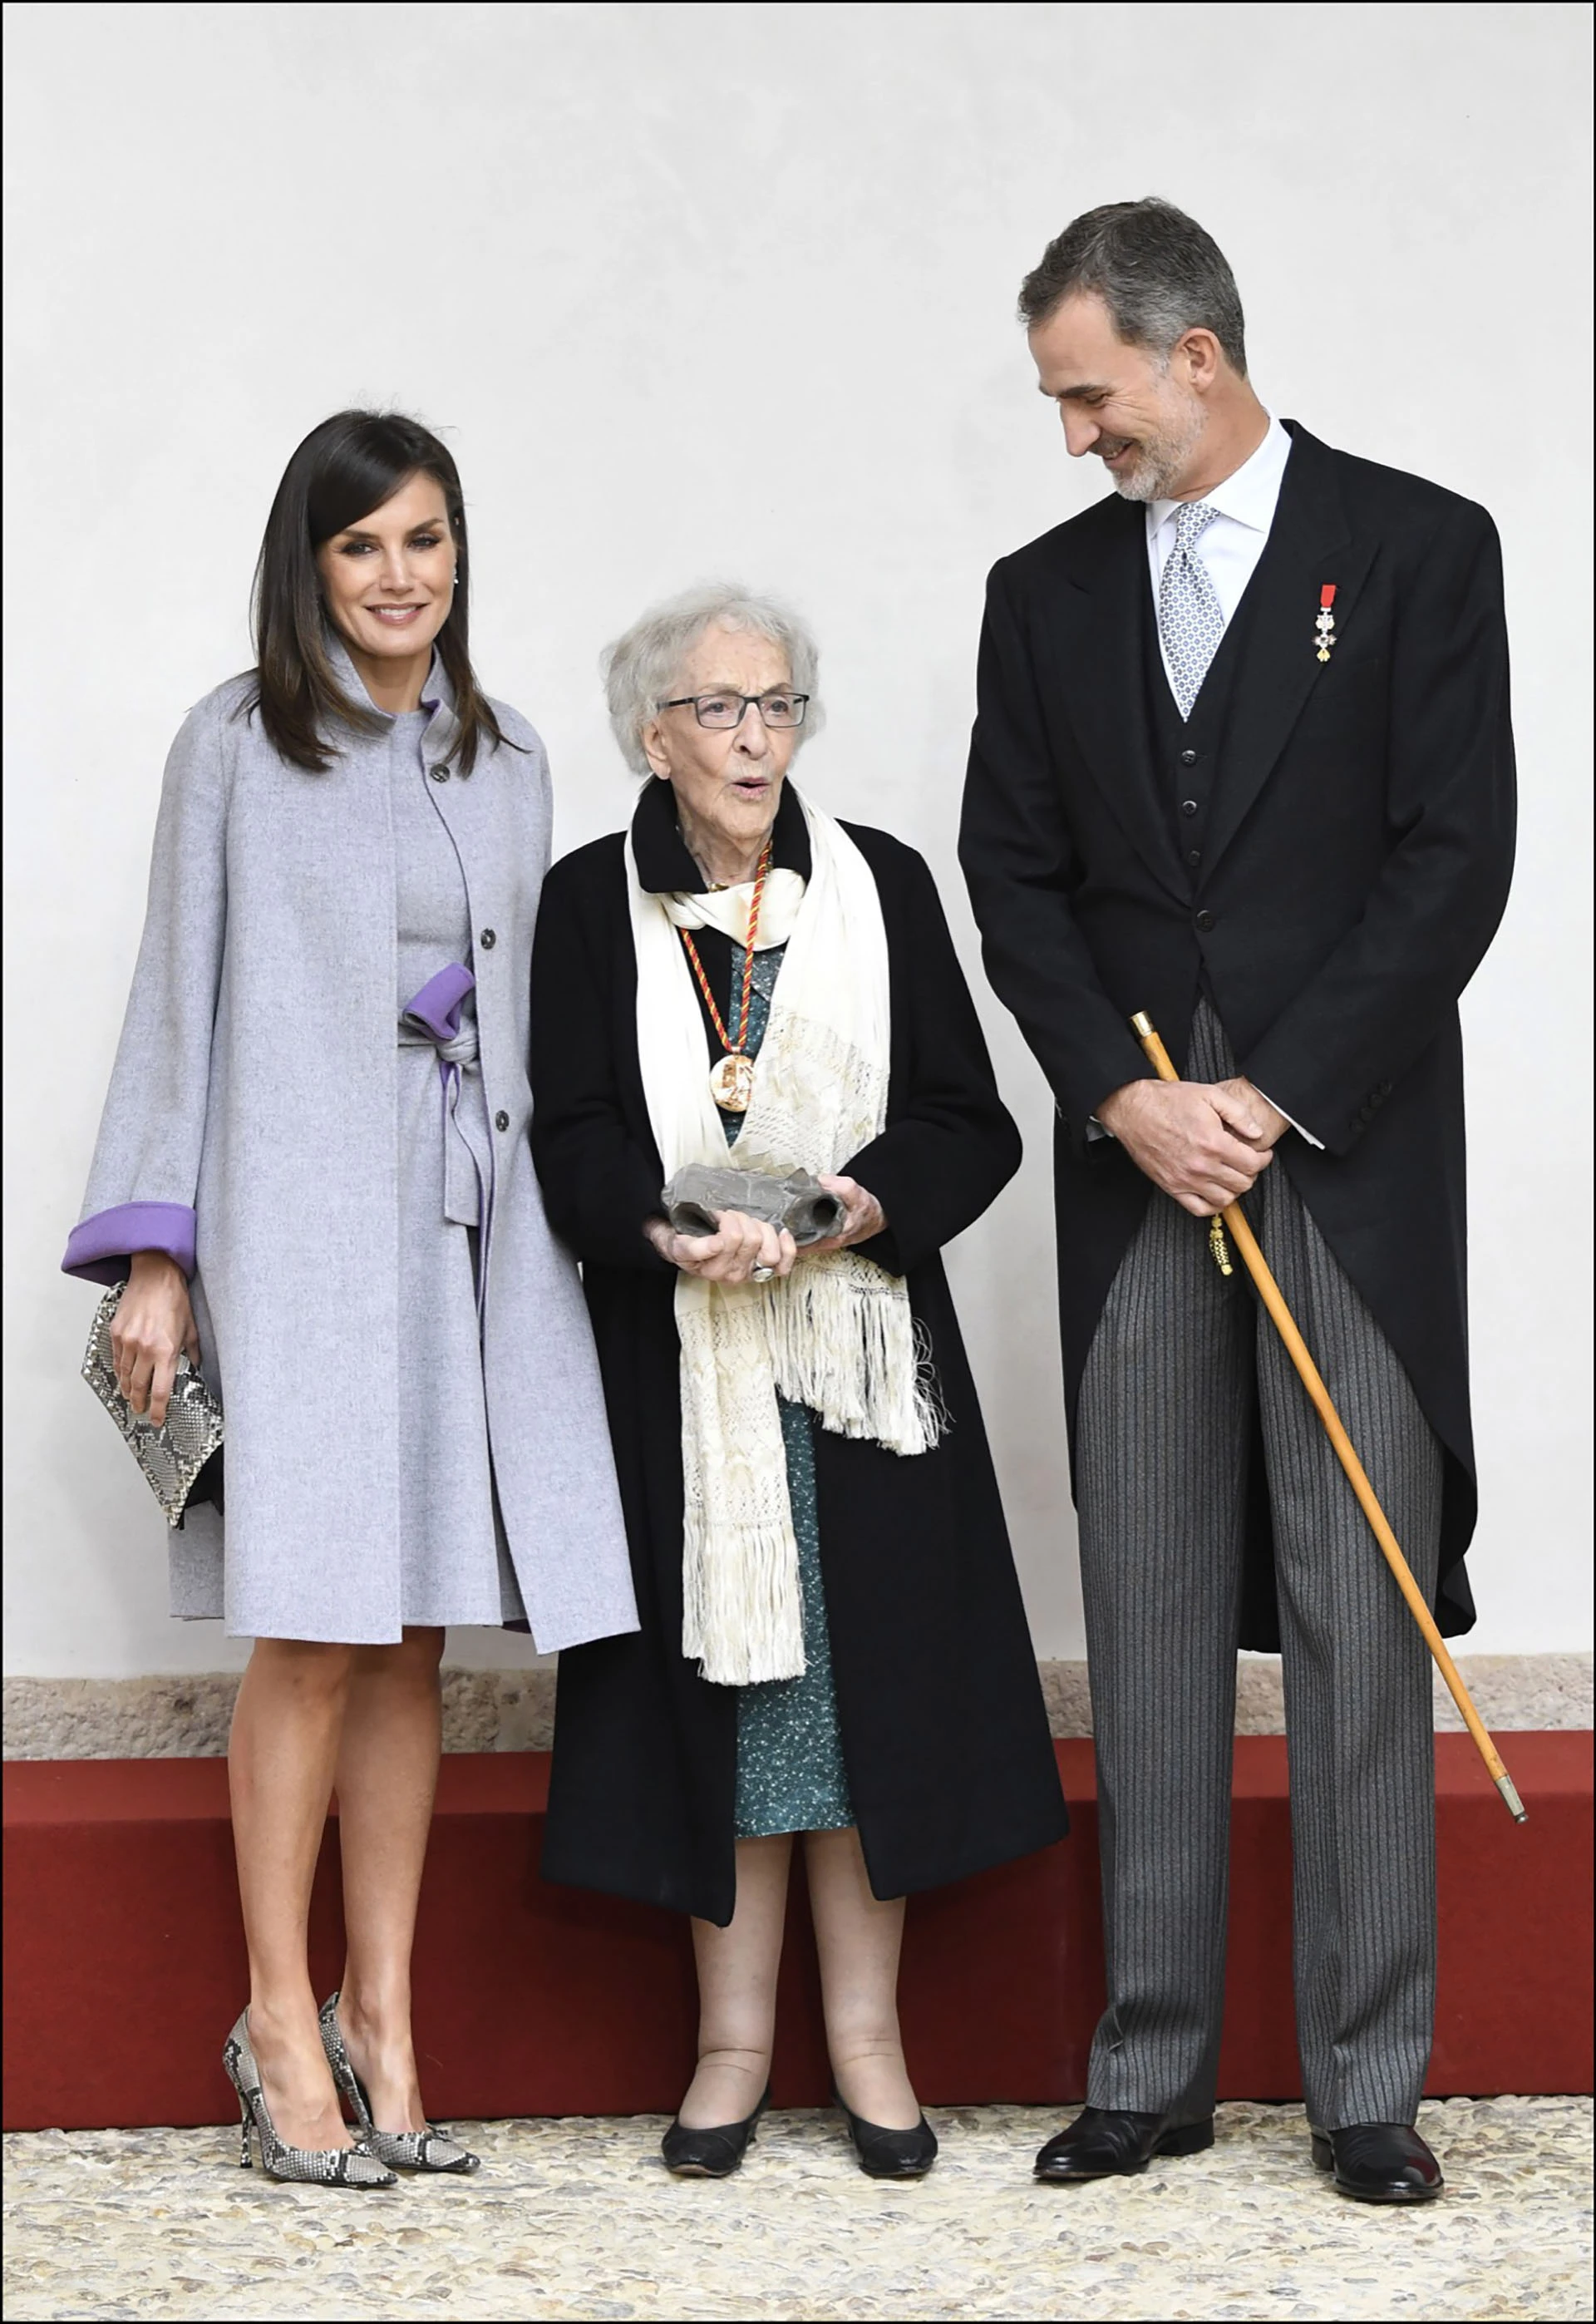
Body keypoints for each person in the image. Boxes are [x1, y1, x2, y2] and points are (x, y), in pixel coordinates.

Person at [960, 200, 1515, 2203]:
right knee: (1158, 1612)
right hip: (1135, 1191)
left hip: (1341, 1168)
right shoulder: (1041, 597)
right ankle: (1155, 2061)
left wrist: (1265, 1097)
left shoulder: (1427, 547)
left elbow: (1456, 863)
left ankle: (1369, 2085)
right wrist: (1123, 1098)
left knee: (1355, 1616)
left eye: (1091, 394)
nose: (1076, 435)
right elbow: (1007, 879)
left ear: (1196, 354)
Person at [63, 410, 638, 2186]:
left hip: (469, 1224)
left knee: (412, 1632)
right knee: (306, 1618)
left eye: (428, 540)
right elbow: (179, 987)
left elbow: (538, 1007)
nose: (403, 577)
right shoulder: (235, 743)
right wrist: (158, 1253)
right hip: (297, 1216)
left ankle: (388, 2013)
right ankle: (278, 2016)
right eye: (364, 545)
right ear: (309, 567)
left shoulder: (516, 752)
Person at [529, 584, 1067, 2179]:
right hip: (679, 1364)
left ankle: (868, 2044)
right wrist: (657, 1228)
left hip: (860, 1370)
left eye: (780, 706)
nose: (758, 737)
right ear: (654, 733)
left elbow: (973, 1121)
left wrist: (846, 1208)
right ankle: (733, 2045)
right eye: (721, 709)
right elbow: (565, 1137)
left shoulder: (880, 885)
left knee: (859, 1700)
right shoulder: (584, 904)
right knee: (736, 1707)